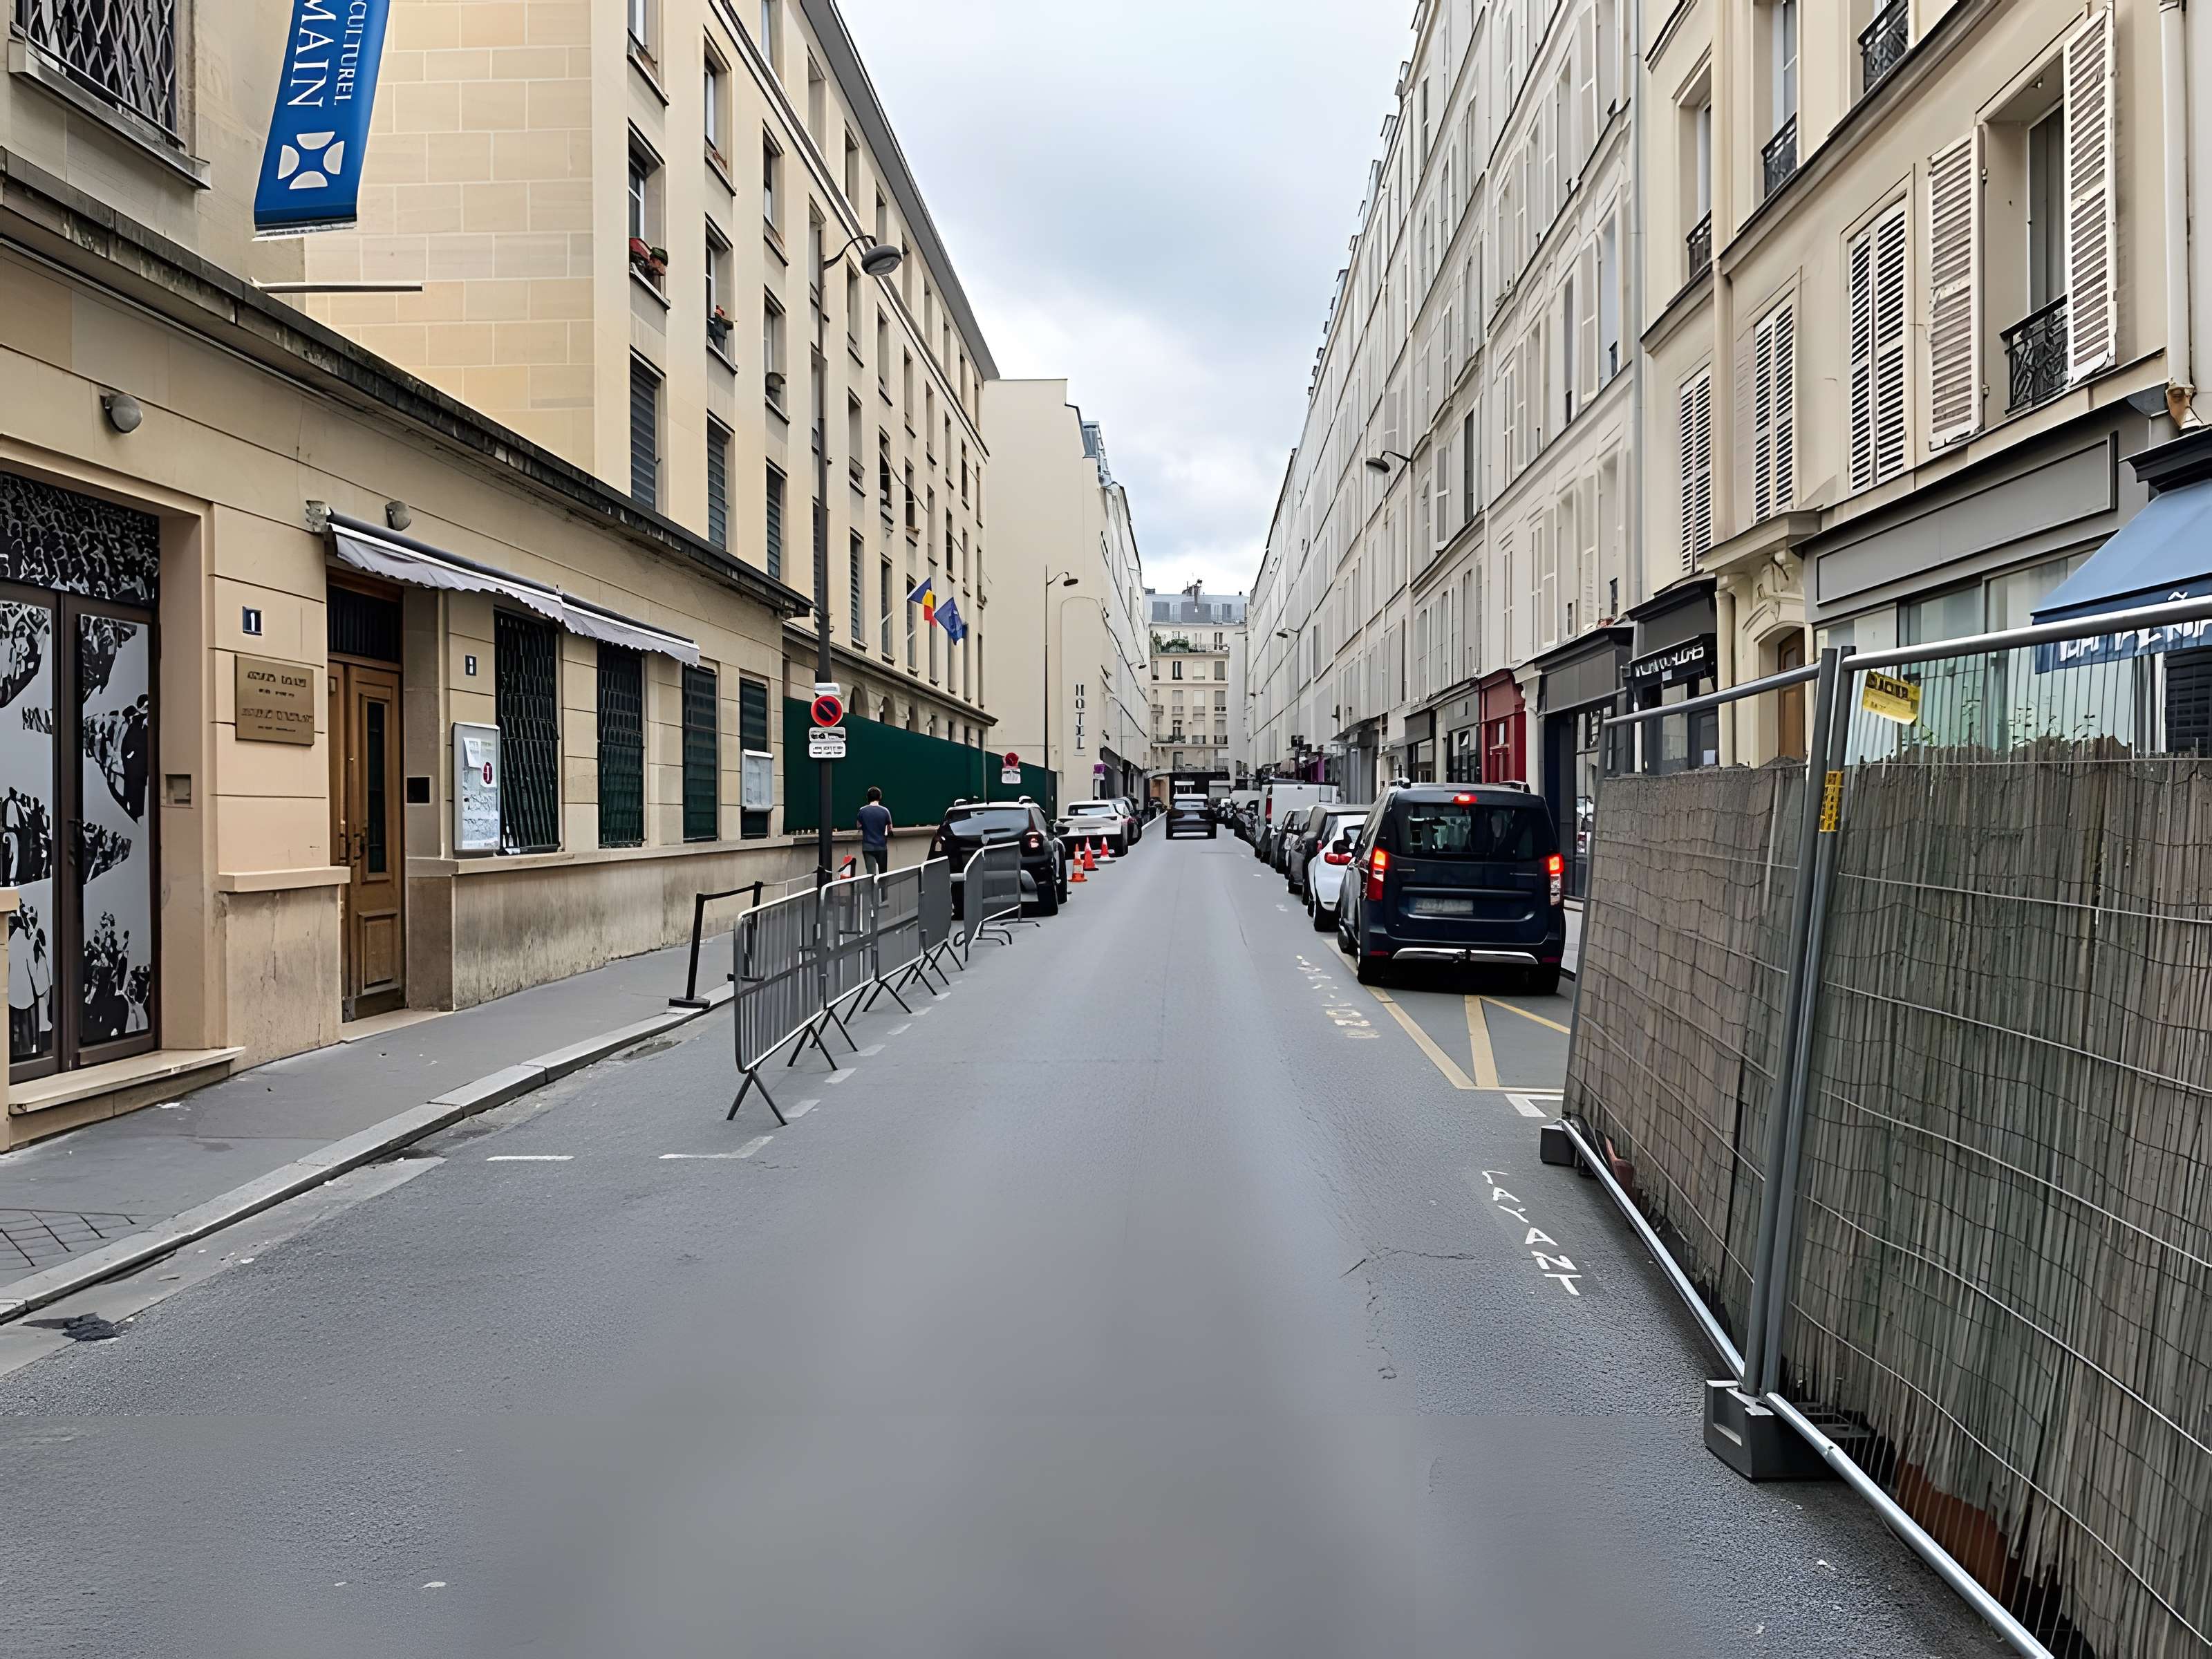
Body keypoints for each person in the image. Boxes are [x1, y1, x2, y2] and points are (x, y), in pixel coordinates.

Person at [856, 787, 892, 875]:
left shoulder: (862, 811)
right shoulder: (885, 811)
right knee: (883, 875)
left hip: (868, 847)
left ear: (867, 797)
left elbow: (859, 826)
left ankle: (871, 889)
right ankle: (883, 889)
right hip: (881, 846)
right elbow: (890, 827)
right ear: (880, 797)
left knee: (871, 874)